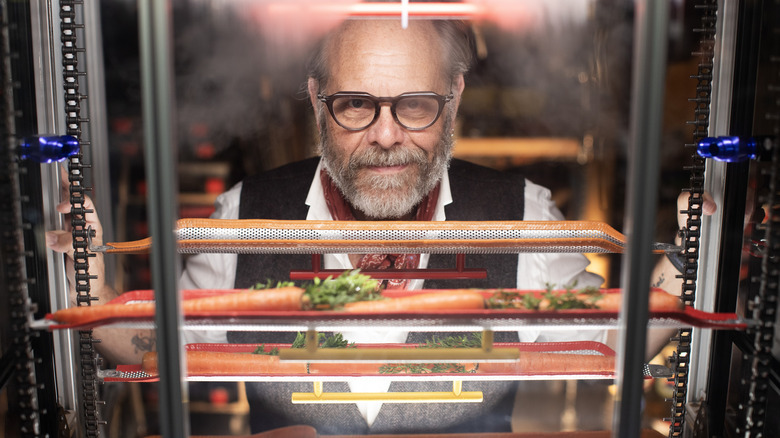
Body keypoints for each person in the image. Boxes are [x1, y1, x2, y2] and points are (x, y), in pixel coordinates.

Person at [47, 18, 713, 434]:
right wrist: (91, 280)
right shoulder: (243, 215)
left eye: (416, 105)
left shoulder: (524, 214)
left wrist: (686, 260)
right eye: (356, 105)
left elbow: (612, 340)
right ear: (315, 100)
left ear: (453, 98)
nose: (387, 136)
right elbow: (155, 347)